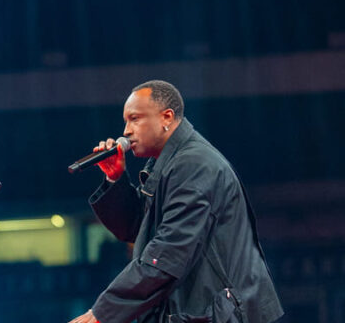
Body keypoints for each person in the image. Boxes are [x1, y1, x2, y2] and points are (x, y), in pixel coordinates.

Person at [70, 80, 283, 323]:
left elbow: (168, 252)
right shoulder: (171, 162)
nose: (126, 131)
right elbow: (137, 228)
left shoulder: (194, 165)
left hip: (221, 315)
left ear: (167, 117)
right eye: (126, 121)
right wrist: (115, 178)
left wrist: (102, 313)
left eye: (135, 119)